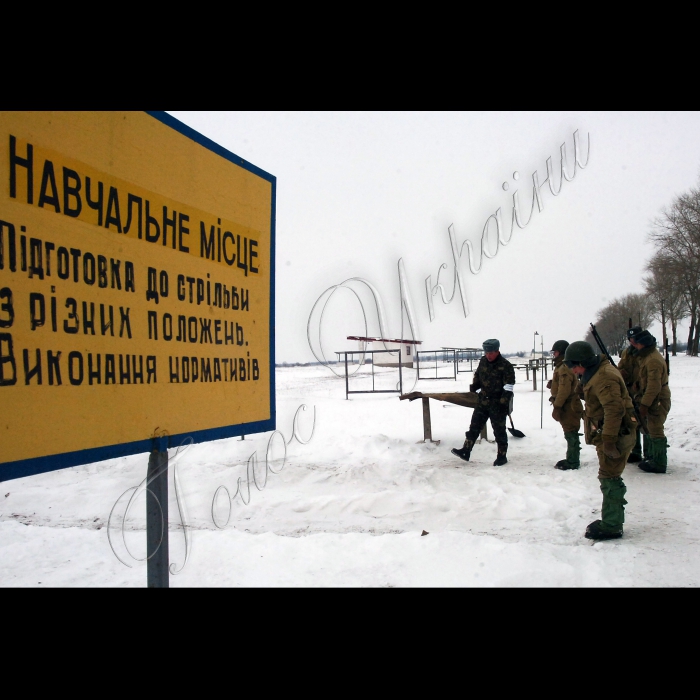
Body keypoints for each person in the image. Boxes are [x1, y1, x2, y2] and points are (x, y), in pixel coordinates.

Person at [564, 341, 638, 540]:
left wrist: (609, 441)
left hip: (616, 435)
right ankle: (612, 520)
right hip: (611, 433)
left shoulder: (604, 377)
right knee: (609, 476)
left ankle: (612, 525)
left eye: (573, 366)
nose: (572, 371)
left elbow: (614, 410)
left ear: (583, 362)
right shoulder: (596, 373)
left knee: (609, 477)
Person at [451, 339, 515, 466]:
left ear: (497, 351)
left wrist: (503, 403)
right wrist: (478, 390)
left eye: (491, 353)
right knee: (474, 427)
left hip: (498, 404)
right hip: (483, 402)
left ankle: (502, 456)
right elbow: (477, 377)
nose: (488, 355)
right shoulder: (483, 361)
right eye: (486, 353)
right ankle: (466, 450)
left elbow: (508, 386)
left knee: (499, 431)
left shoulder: (506, 366)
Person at [629, 329, 671, 473]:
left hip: (657, 398)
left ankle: (659, 463)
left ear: (643, 344)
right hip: (652, 397)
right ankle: (652, 457)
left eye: (637, 343)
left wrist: (645, 404)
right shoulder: (647, 357)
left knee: (655, 428)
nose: (635, 346)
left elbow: (654, 386)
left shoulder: (653, 360)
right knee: (651, 427)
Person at [548, 340, 584, 469]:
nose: (554, 354)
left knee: (571, 431)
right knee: (569, 431)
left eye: (556, 352)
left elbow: (565, 389)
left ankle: (573, 460)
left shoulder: (564, 367)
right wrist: (553, 383)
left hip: (569, 405)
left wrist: (557, 407)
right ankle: (572, 457)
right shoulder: (562, 366)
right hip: (567, 404)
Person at [618, 326, 643, 462]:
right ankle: (636, 450)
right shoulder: (627, 353)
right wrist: (620, 372)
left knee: (647, 423)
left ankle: (650, 454)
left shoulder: (645, 353)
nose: (632, 341)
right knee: (634, 421)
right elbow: (621, 366)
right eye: (630, 339)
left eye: (634, 338)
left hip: (641, 390)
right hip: (630, 391)